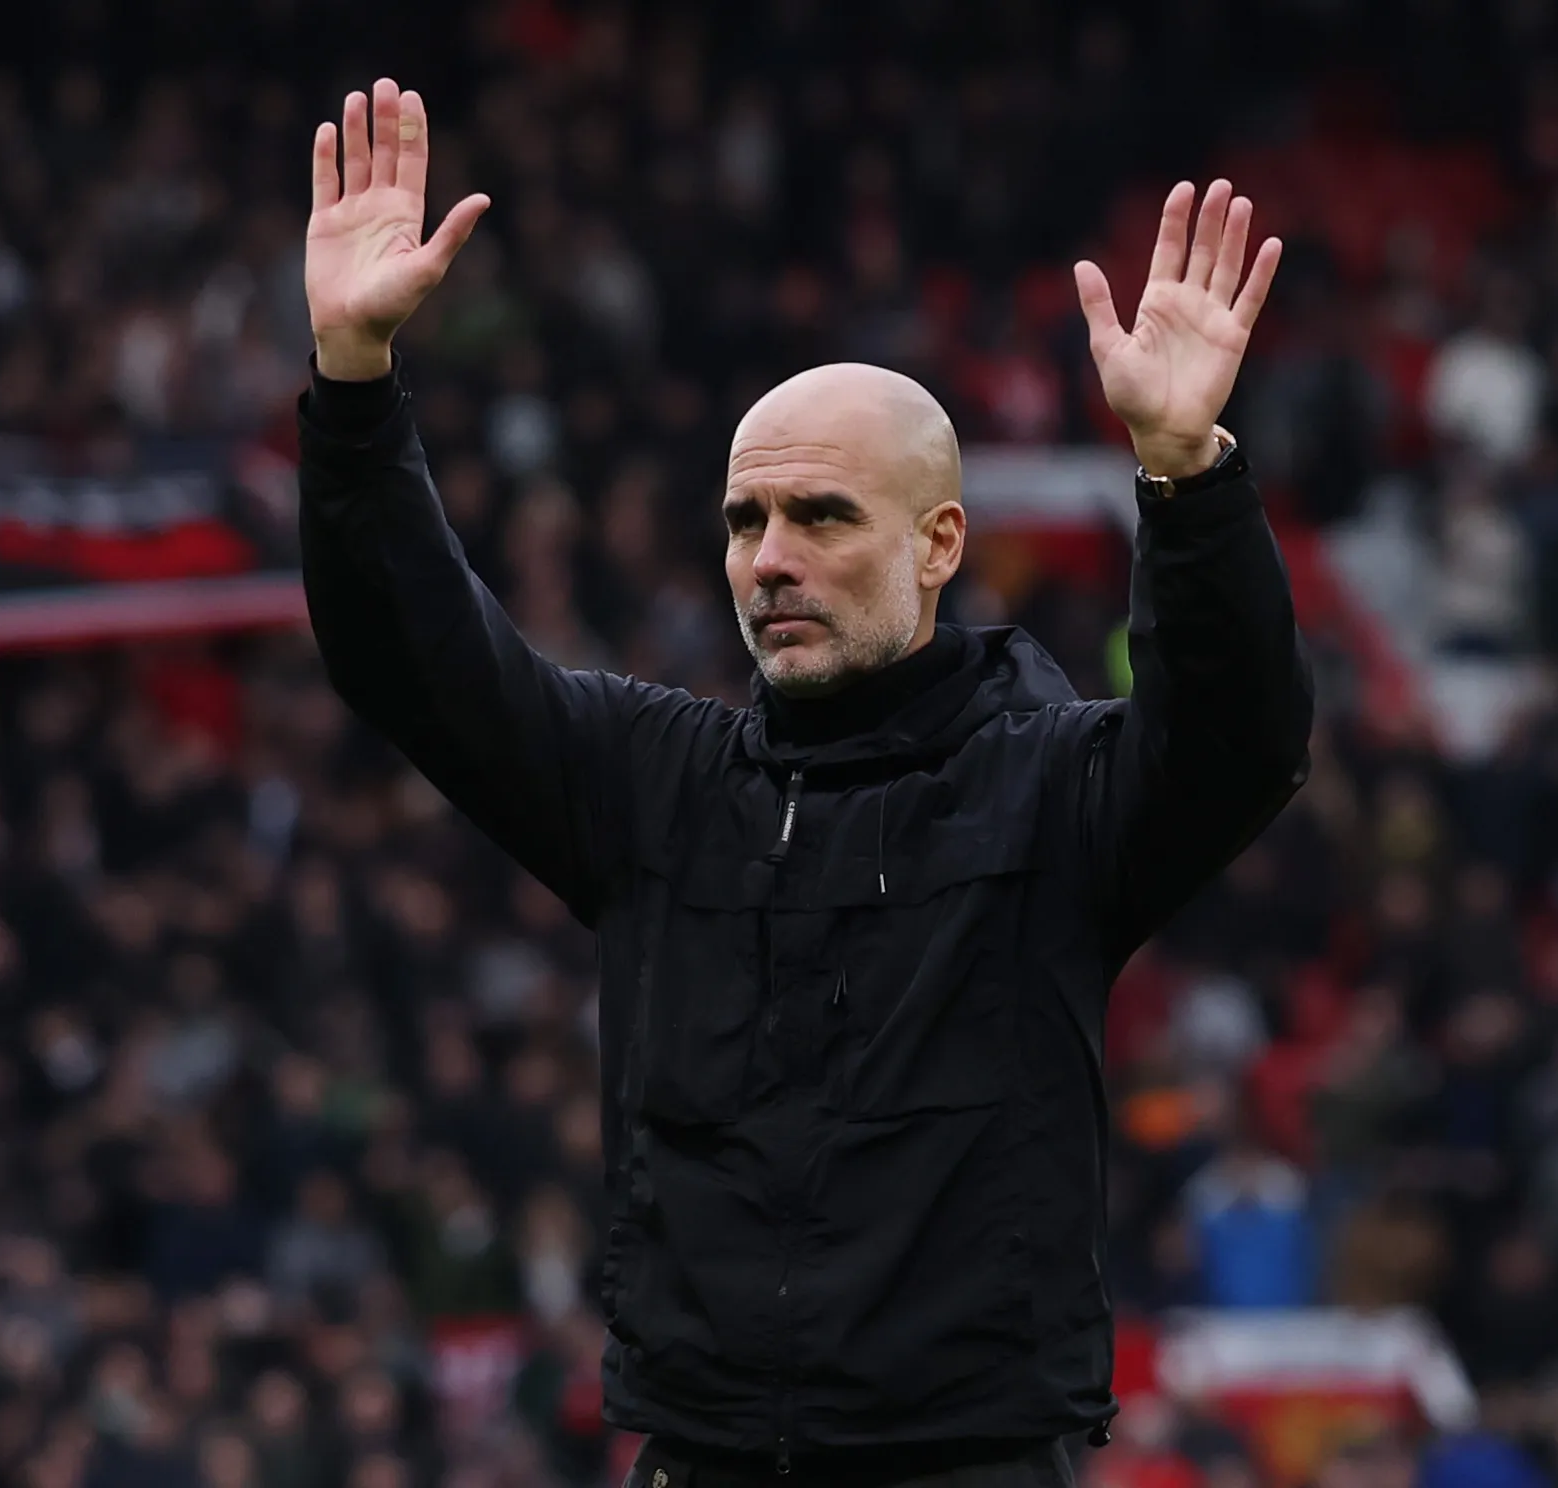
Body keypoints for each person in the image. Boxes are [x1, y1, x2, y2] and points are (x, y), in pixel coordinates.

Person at [297, 79, 1312, 1488]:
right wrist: (353, 387)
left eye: (822, 515)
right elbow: (416, 662)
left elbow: (1243, 738)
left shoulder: (1052, 790)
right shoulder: (660, 788)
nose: (769, 557)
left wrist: (1186, 474)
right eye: (744, 520)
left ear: (941, 541)